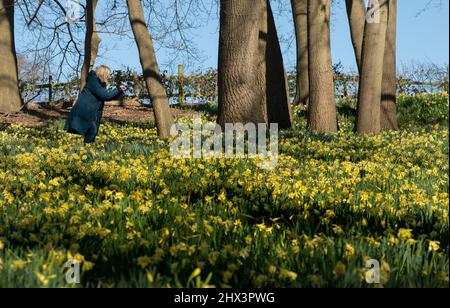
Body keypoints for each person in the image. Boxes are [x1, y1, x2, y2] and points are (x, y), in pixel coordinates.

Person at [64, 65, 126, 143]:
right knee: (92, 130)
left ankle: (88, 151)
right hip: (85, 110)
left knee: (93, 132)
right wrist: (118, 89)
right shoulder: (94, 81)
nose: (109, 77)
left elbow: (106, 97)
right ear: (103, 74)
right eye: (107, 74)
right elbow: (105, 96)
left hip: (92, 111)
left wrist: (119, 91)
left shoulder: (99, 83)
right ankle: (87, 149)